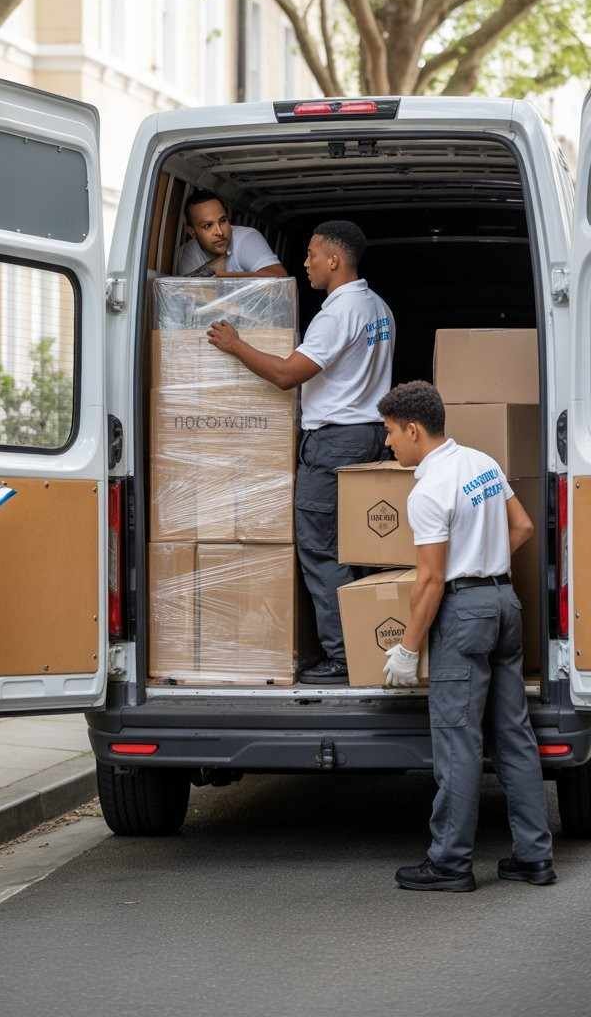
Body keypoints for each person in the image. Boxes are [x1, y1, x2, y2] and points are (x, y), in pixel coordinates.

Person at [378, 380, 555, 892]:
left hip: (465, 613)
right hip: (504, 603)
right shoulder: (482, 462)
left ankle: (450, 863)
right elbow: (520, 527)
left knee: (458, 740)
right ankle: (533, 857)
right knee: (515, 736)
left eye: (390, 433)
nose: (388, 443)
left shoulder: (428, 488)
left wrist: (408, 649)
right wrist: (485, 559)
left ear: (413, 429)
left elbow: (431, 580)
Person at [208, 219, 394, 683]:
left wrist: (236, 346)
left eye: (311, 254)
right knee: (364, 547)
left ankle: (344, 657)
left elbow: (289, 374)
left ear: (334, 259)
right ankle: (372, 645)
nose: (305, 263)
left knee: (320, 548)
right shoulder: (378, 307)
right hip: (370, 436)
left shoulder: (338, 312)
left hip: (334, 445)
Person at [177, 189, 288, 277]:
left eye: (223, 221)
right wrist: (210, 268)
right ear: (192, 232)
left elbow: (279, 279)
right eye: (208, 226)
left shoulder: (246, 238)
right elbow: (188, 294)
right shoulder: (189, 251)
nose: (219, 232)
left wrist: (222, 275)